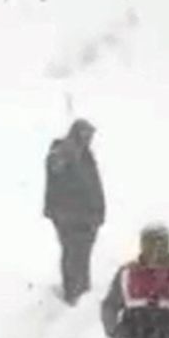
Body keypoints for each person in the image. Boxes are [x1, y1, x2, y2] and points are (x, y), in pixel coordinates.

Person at [44, 118, 105, 304]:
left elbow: (94, 186)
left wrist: (98, 213)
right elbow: (57, 171)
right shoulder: (63, 152)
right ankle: (73, 292)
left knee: (82, 255)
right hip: (69, 217)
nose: (89, 138)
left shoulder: (86, 156)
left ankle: (81, 291)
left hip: (86, 217)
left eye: (90, 135)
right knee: (73, 254)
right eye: (86, 134)